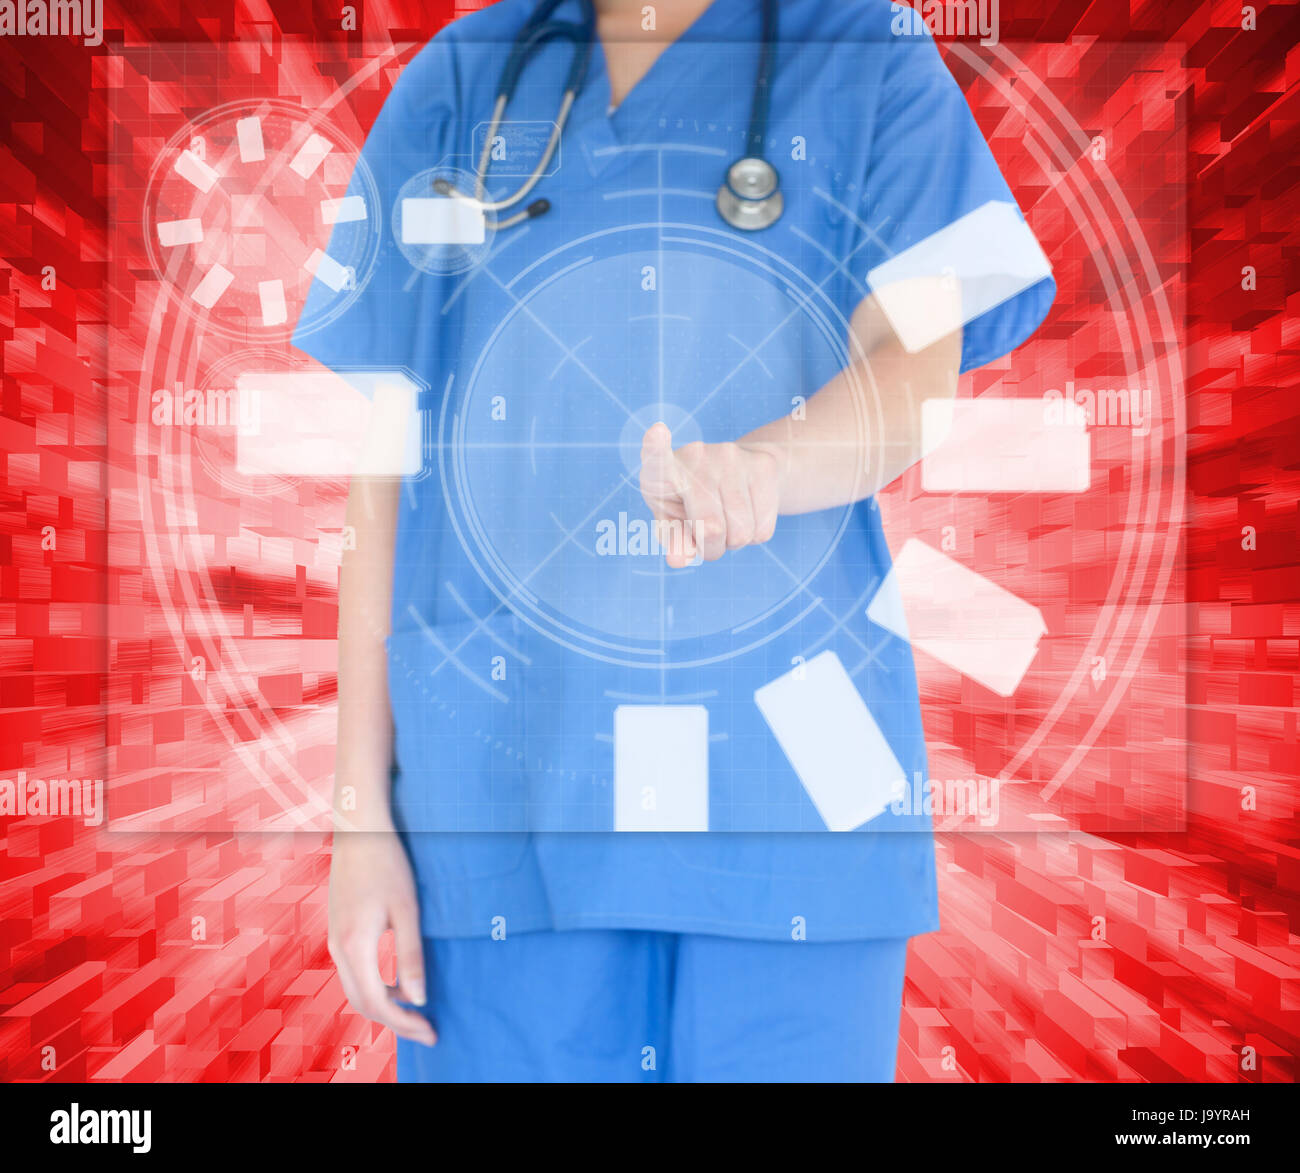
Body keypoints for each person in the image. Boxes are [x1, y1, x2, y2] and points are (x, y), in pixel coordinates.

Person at [293, 0, 1054, 1082]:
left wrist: (767, 470)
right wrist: (358, 819)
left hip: (790, 788)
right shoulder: (461, 79)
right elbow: (384, 473)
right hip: (501, 789)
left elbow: (913, 368)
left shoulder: (870, 57)